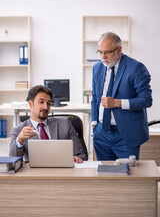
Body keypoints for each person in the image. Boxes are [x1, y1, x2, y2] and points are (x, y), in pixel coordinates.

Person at [91, 32, 152, 161]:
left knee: (128, 176)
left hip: (126, 134)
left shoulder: (136, 68)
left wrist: (117, 103)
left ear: (119, 50)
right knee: (104, 175)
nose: (103, 57)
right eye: (100, 52)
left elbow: (146, 100)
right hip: (102, 133)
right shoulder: (97, 68)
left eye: (107, 52)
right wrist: (94, 124)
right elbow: (95, 97)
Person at [9, 85, 88, 163]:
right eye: (41, 102)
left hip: (62, 172)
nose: (46, 107)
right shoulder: (19, 130)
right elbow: (12, 161)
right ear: (30, 104)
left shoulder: (65, 124)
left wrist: (76, 158)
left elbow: (82, 155)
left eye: (49, 103)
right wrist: (20, 139)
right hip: (36, 174)